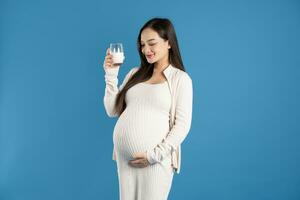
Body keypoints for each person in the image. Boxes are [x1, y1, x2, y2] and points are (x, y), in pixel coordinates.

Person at [102, 17, 193, 200]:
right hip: (125, 161)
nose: (146, 50)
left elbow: (182, 126)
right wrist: (111, 74)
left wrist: (153, 156)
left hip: (155, 161)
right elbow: (112, 110)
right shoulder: (135, 74)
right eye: (142, 45)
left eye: (152, 43)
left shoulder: (180, 79)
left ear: (168, 43)